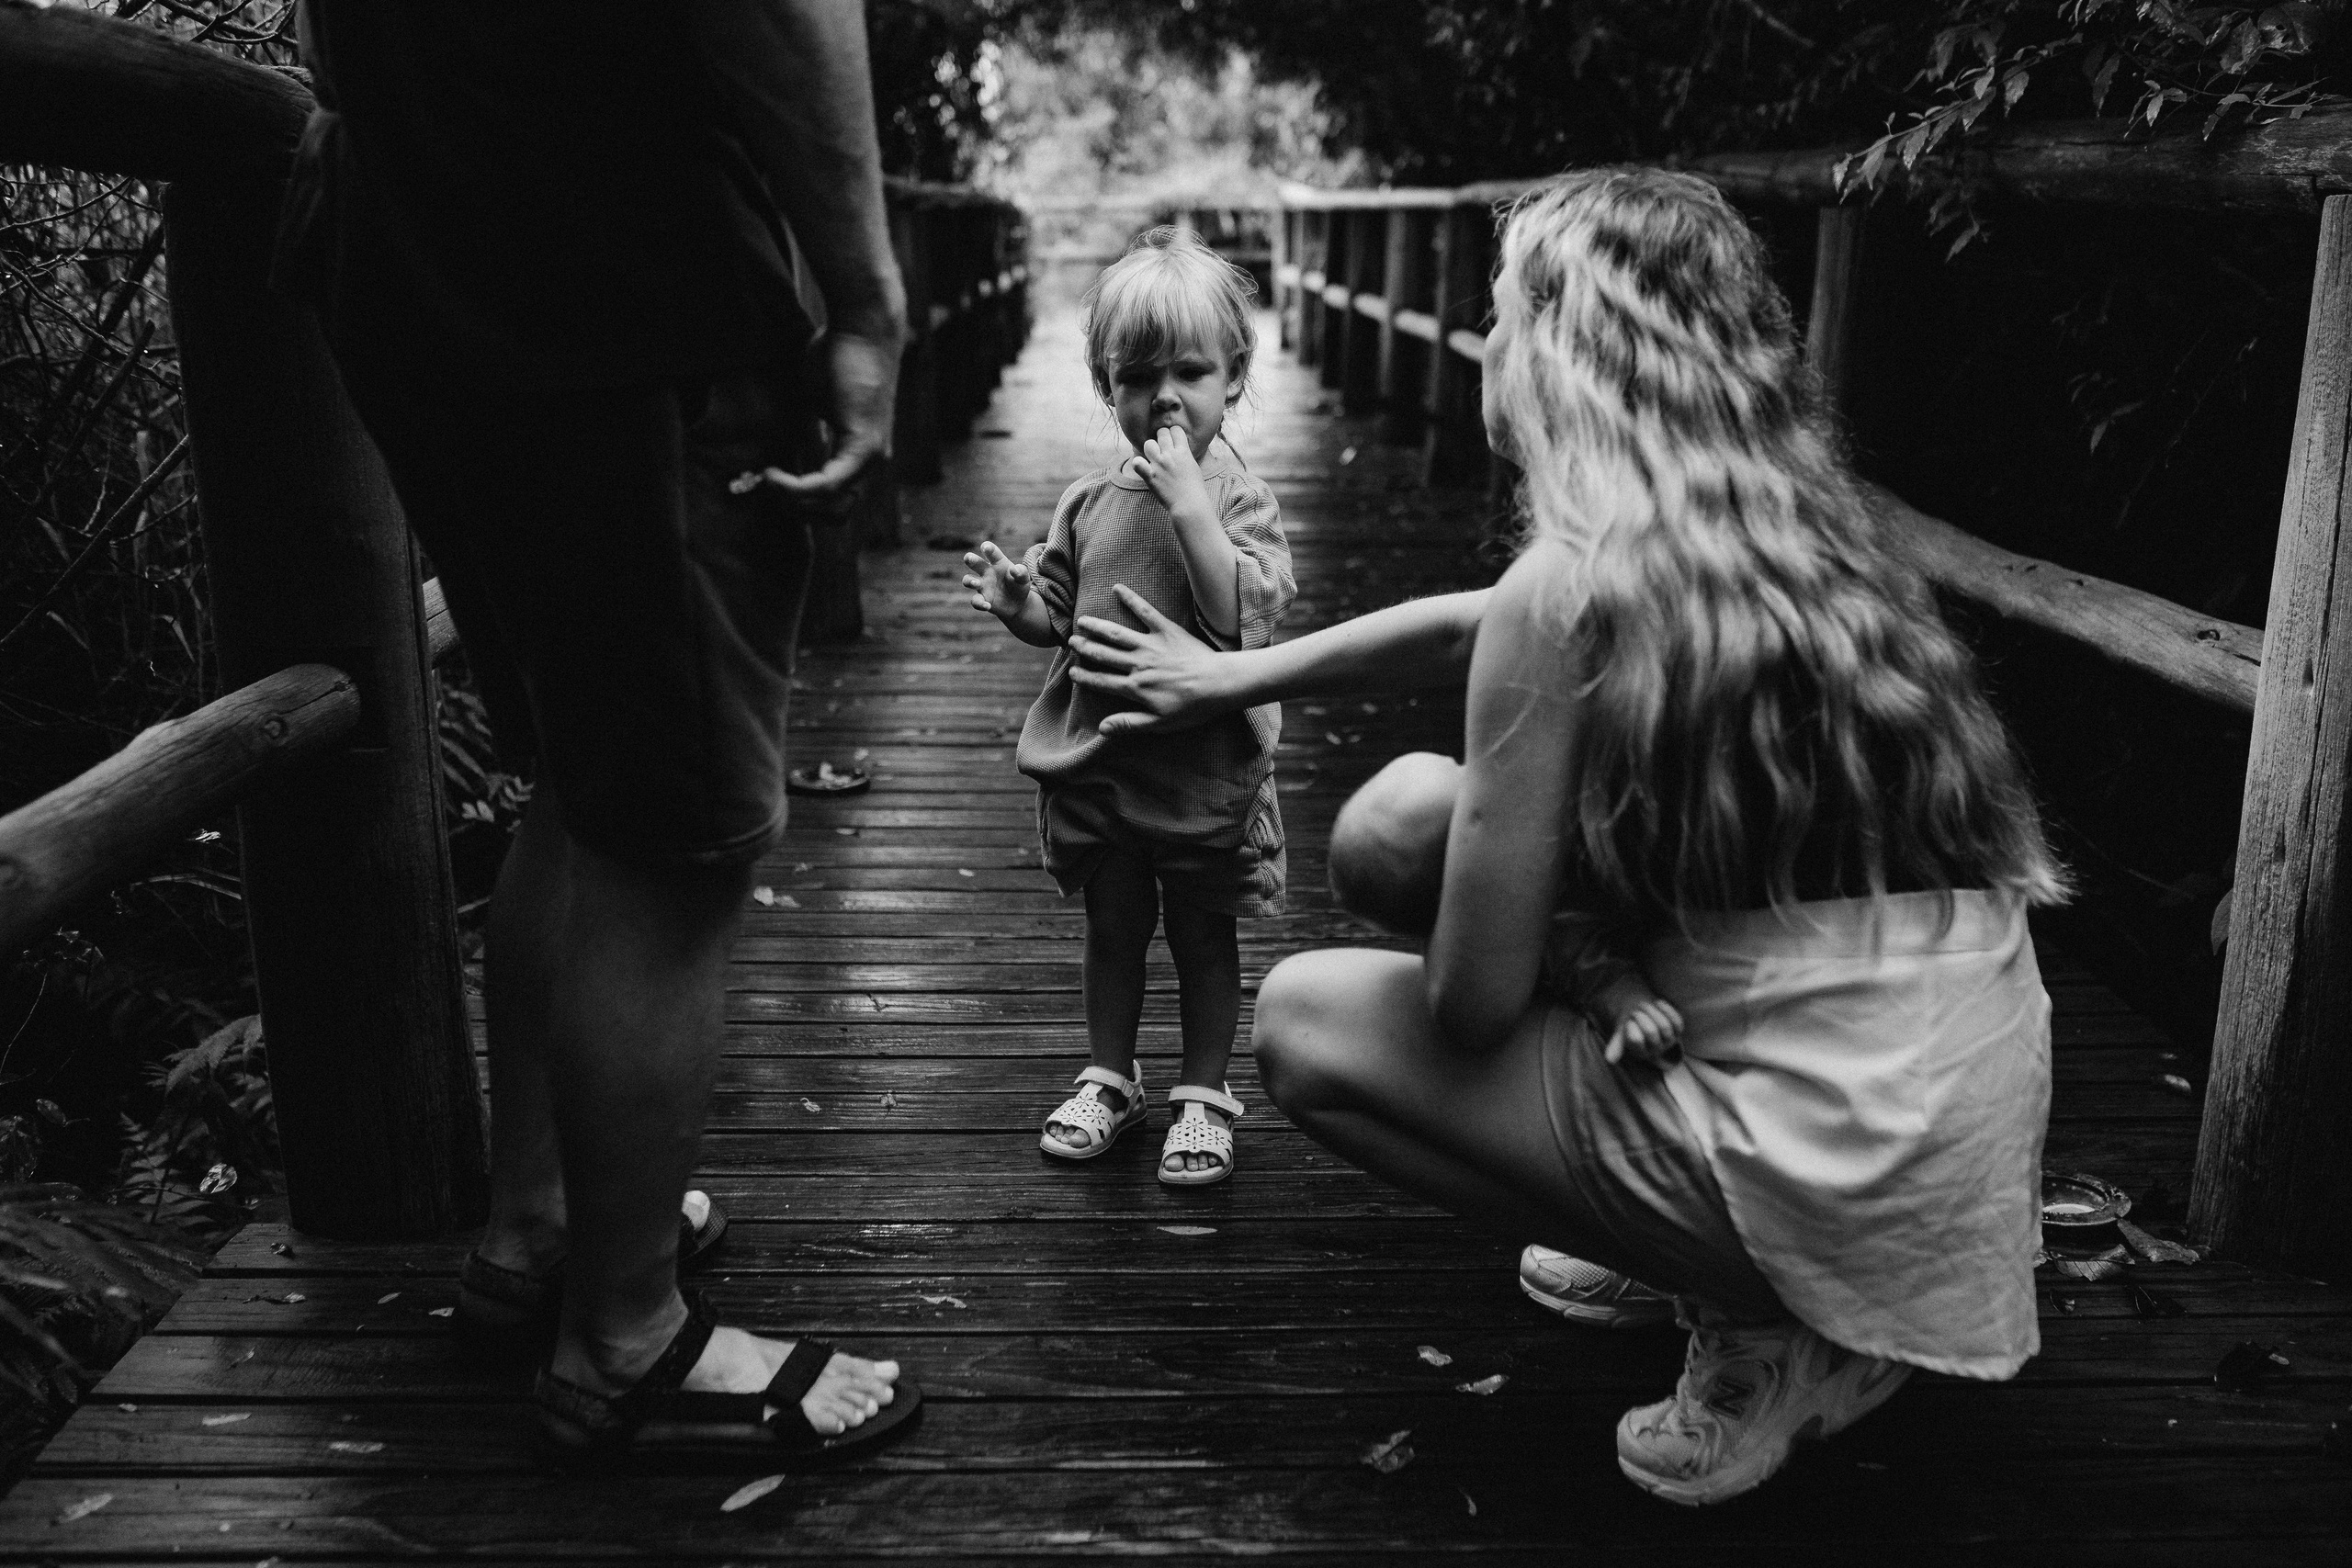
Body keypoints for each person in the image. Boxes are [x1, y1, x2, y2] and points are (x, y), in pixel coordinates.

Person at [1060, 169, 2065, 1506]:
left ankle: (1760, 1318)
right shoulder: (1806, 531)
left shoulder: (1572, 583)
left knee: (1305, 1020)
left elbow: (1473, 1003)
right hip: (1953, 1153)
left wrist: (1570, 951)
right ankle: (1709, 1238)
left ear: (1554, 345)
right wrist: (1239, 676)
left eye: (1498, 308)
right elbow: (1473, 620)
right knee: (1408, 821)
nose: (1484, 336)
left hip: (1829, 1182)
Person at [274, 0, 917, 1465]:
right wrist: (867, 300)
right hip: (619, 254)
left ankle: (539, 1225)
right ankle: (627, 1334)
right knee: (679, 828)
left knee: (588, 768)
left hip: (413, 231)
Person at [960, 229, 1295, 1187]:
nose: (1163, 396)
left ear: (1234, 378)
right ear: (1104, 384)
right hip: (1102, 759)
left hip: (1200, 771)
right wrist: (1025, 606)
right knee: (1112, 926)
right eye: (1136, 374)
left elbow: (1240, 614)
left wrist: (1190, 504)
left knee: (1200, 933)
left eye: (1190, 371)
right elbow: (1062, 615)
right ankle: (1110, 1072)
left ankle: (1202, 1091)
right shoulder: (1087, 500)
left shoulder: (1239, 499)